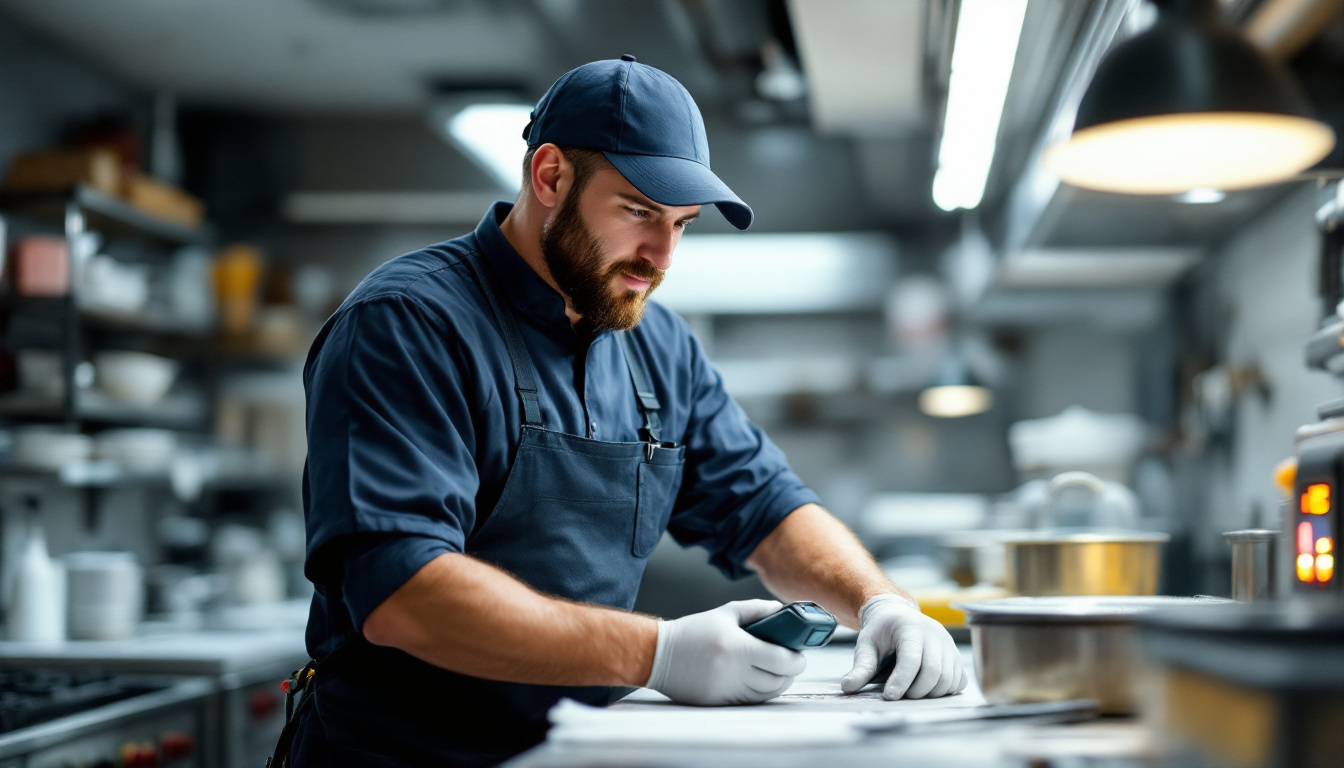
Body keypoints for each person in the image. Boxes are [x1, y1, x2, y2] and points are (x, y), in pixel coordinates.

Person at [287, 55, 966, 767]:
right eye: (639, 211)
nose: (661, 254)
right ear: (550, 177)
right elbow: (402, 592)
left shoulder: (657, 344)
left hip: (574, 753)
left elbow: (764, 505)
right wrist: (658, 653)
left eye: (682, 223)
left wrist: (882, 604)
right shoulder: (408, 324)